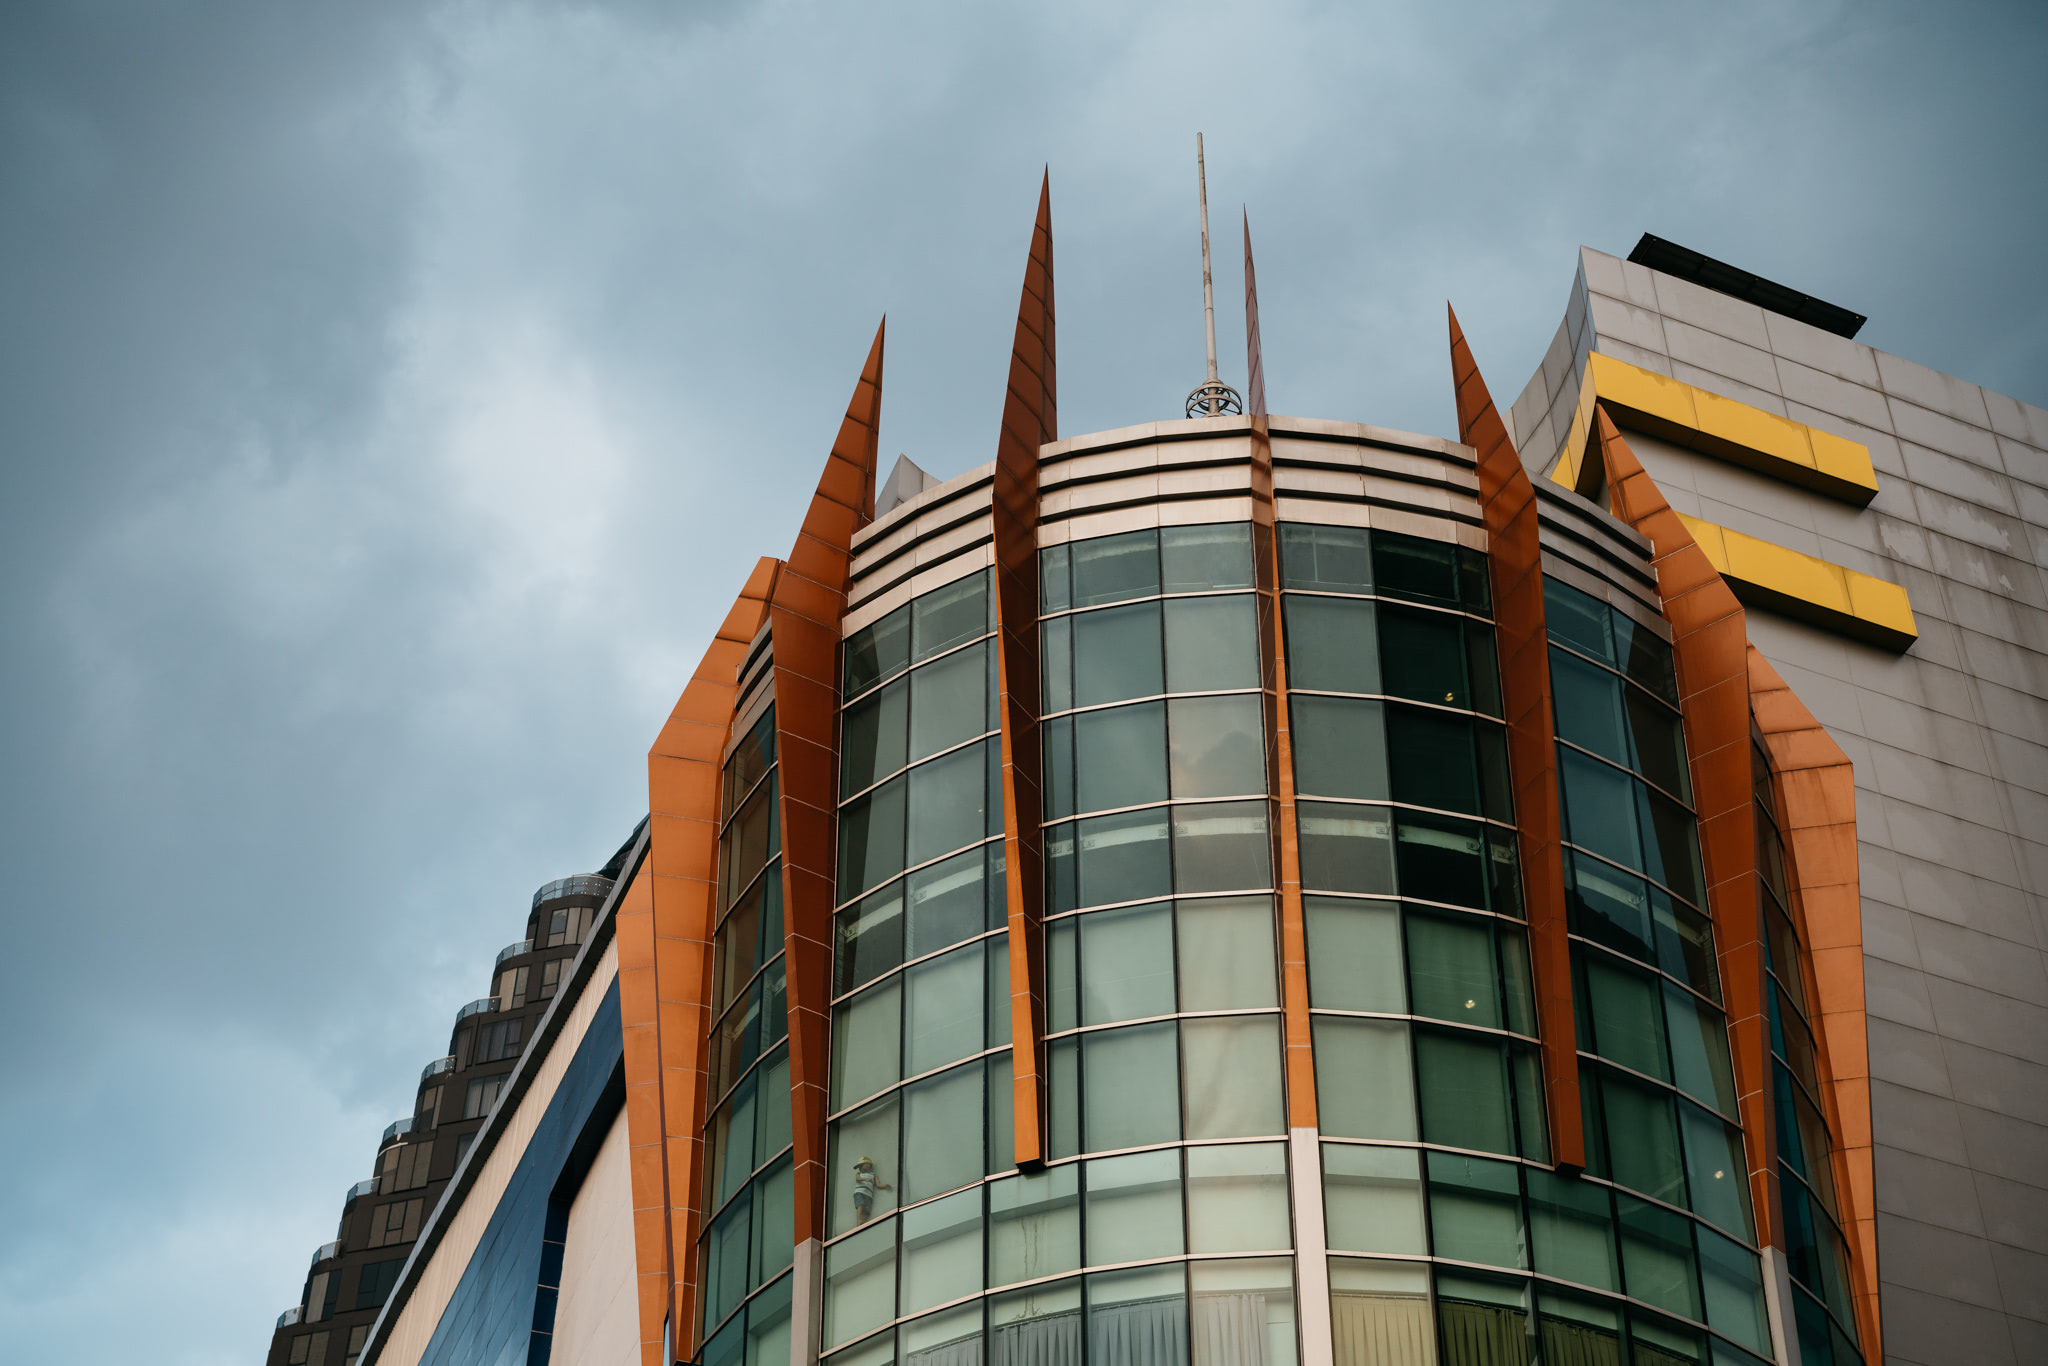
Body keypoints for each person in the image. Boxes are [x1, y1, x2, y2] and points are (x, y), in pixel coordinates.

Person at [851, 1154, 891, 1224]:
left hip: (868, 1195)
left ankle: (864, 1222)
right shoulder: (859, 1173)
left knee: (867, 1211)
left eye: (861, 1165)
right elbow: (857, 1179)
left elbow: (878, 1185)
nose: (860, 1168)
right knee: (860, 1205)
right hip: (859, 1192)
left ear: (868, 1165)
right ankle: (858, 1221)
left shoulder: (873, 1175)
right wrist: (864, 1179)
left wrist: (884, 1185)